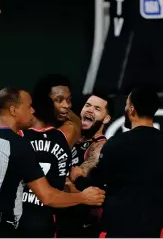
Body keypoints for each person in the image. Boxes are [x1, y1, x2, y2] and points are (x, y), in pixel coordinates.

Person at [0, 87, 105, 238]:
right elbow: (47, 196)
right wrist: (83, 197)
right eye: (29, 107)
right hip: (0, 229)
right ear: (13, 110)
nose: (32, 111)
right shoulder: (19, 145)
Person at [71, 86, 163, 238]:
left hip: (118, 228)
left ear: (132, 109)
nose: (125, 109)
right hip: (153, 228)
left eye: (127, 105)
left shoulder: (116, 143)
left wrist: (78, 177)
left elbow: (97, 187)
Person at [16, 74, 81, 238]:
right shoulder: (18, 133)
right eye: (59, 100)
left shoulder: (64, 133)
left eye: (69, 100)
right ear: (43, 101)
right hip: (20, 217)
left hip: (43, 219)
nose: (66, 106)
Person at [57, 93, 113, 238]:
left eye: (97, 109)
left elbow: (75, 175)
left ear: (106, 119)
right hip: (58, 214)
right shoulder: (72, 138)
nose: (89, 110)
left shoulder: (99, 146)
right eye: (87, 106)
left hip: (78, 224)